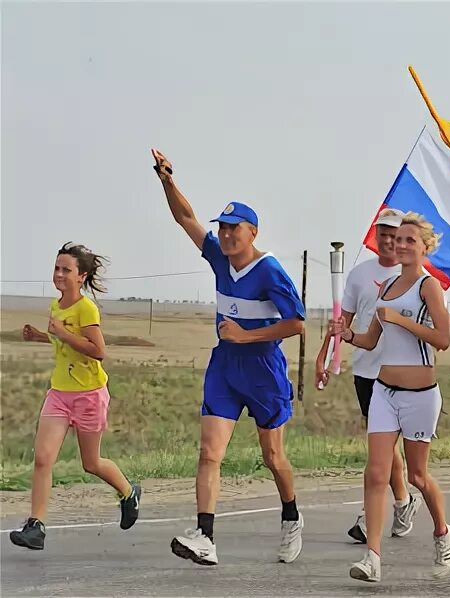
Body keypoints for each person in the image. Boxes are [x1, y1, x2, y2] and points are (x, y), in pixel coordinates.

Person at [152, 149, 305, 566]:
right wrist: (168, 181)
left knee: (272, 457)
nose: (225, 234)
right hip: (225, 367)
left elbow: (297, 324)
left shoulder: (270, 270)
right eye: (222, 227)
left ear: (253, 232)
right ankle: (205, 535)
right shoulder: (218, 256)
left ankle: (291, 516)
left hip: (263, 370)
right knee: (209, 452)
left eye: (234, 228)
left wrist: (246, 335)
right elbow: (186, 218)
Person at [330, 212, 450, 583]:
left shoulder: (429, 288)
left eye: (409, 240)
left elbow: (443, 340)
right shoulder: (385, 287)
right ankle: (372, 557)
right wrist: (346, 334)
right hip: (384, 391)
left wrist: (402, 321)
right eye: (398, 240)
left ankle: (443, 532)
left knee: (417, 475)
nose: (400, 245)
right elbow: (371, 340)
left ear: (425, 247)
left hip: (420, 395)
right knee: (376, 472)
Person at [9, 243, 141, 551]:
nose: (59, 274)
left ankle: (128, 492)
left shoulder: (86, 309)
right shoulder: (56, 306)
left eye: (66, 270)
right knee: (43, 458)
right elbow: (62, 342)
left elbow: (98, 351)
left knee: (91, 463)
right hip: (59, 393)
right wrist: (41, 336)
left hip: (89, 396)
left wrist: (63, 334)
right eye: (56, 268)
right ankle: (36, 526)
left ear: (81, 276)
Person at [314, 208, 422, 544]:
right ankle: (402, 501)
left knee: (383, 446)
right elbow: (342, 322)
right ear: (375, 237)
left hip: (402, 371)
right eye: (383, 234)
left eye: (395, 235)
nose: (388, 240)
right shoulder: (360, 274)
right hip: (366, 369)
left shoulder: (415, 277)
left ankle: (371, 514)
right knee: (384, 444)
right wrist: (324, 356)